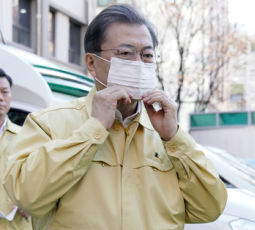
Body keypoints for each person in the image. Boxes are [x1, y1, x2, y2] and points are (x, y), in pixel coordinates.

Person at [2, 5, 227, 230]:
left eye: (147, 55)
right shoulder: (48, 124)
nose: (139, 64)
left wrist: (175, 138)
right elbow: (26, 196)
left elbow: (210, 207)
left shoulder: (165, 131)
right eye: (126, 53)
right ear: (92, 63)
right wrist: (94, 129)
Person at [0, 68, 31, 229]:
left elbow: (42, 177)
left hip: (16, 225)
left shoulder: (26, 137)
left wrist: (33, 202)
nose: (0, 98)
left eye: (5, 92)